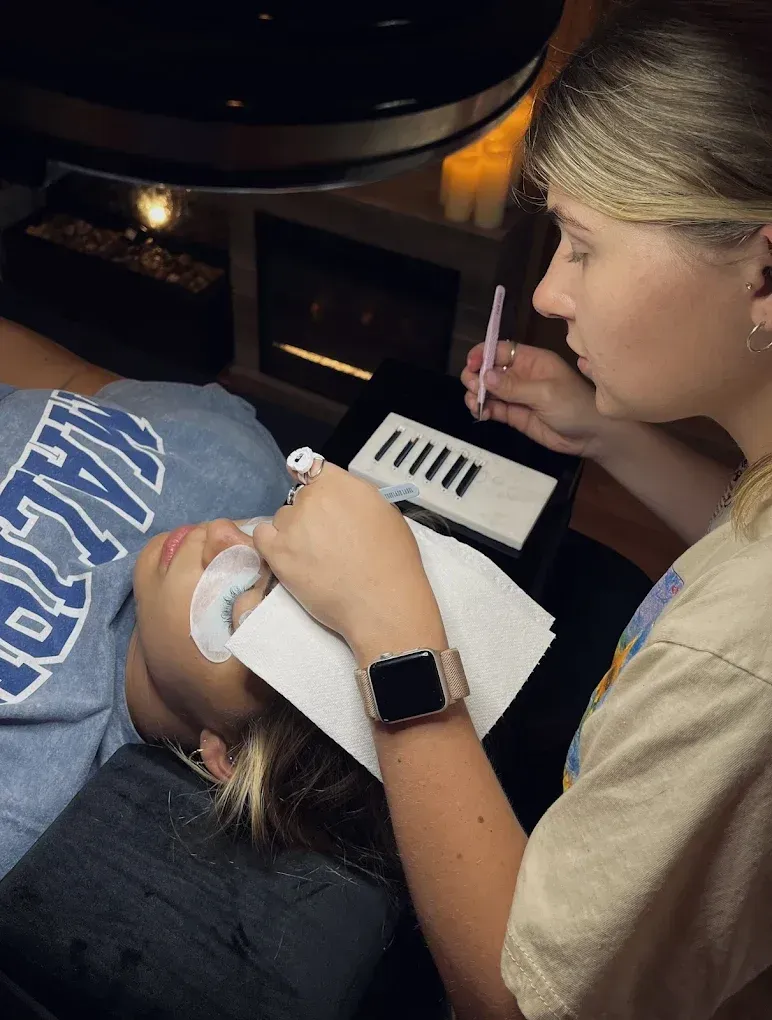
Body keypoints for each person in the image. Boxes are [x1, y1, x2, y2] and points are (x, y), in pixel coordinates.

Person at [251, 2, 772, 1017]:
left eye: (580, 245)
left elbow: (514, 995)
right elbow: (740, 525)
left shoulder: (738, 662)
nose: (545, 292)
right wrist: (605, 431)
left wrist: (391, 630)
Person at [0, 318, 397, 885]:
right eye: (271, 529)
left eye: (237, 595)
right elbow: (67, 377)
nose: (220, 532)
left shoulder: (25, 784)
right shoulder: (234, 454)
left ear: (229, 757)